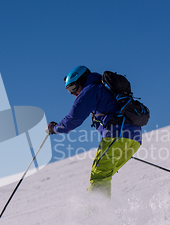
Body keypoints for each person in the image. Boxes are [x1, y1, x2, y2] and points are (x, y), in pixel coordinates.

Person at [46, 65, 142, 198]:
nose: (73, 93)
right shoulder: (103, 88)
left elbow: (74, 119)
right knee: (104, 174)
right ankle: (103, 212)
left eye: (73, 87)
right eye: (69, 90)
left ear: (82, 80)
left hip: (117, 135)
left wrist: (54, 129)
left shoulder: (90, 90)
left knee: (99, 174)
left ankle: (95, 214)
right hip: (134, 139)